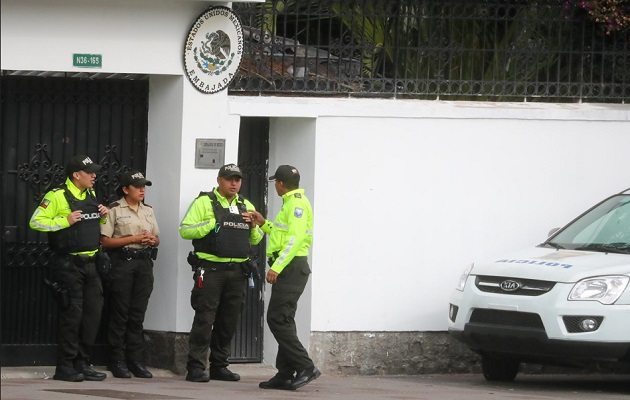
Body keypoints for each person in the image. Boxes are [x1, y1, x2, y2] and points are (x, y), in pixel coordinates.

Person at [179, 163, 263, 383]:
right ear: (219, 180)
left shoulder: (246, 205)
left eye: (237, 179)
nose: (234, 183)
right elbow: (185, 230)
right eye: (229, 179)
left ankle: (219, 366)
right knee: (205, 319)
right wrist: (211, 223)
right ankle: (196, 367)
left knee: (229, 320)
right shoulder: (204, 202)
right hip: (211, 271)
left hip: (237, 272)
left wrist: (254, 226)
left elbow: (257, 239)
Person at [29, 154, 109, 382]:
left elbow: (93, 225)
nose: (94, 175)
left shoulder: (91, 194)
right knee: (72, 317)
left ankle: (82, 363)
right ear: (76, 175)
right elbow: (35, 221)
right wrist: (64, 221)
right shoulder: (56, 196)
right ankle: (65, 367)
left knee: (92, 315)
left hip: (92, 265)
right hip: (69, 266)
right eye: (89, 172)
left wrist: (103, 216)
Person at [250, 165, 320, 391]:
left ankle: (305, 366)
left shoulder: (297, 204)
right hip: (290, 267)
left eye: (275, 183)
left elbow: (295, 240)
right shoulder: (291, 203)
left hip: (291, 267)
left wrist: (277, 267)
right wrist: (264, 223)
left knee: (277, 319)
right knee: (284, 319)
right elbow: (282, 234)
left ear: (280, 183)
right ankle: (285, 373)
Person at [100, 170, 160, 379]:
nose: (142, 190)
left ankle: (136, 360)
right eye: (138, 186)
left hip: (144, 264)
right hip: (122, 264)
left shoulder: (148, 210)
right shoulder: (114, 210)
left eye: (144, 186)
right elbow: (105, 241)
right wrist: (132, 238)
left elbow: (157, 237)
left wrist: (152, 240)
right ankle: (117, 360)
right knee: (120, 313)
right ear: (126, 189)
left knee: (137, 314)